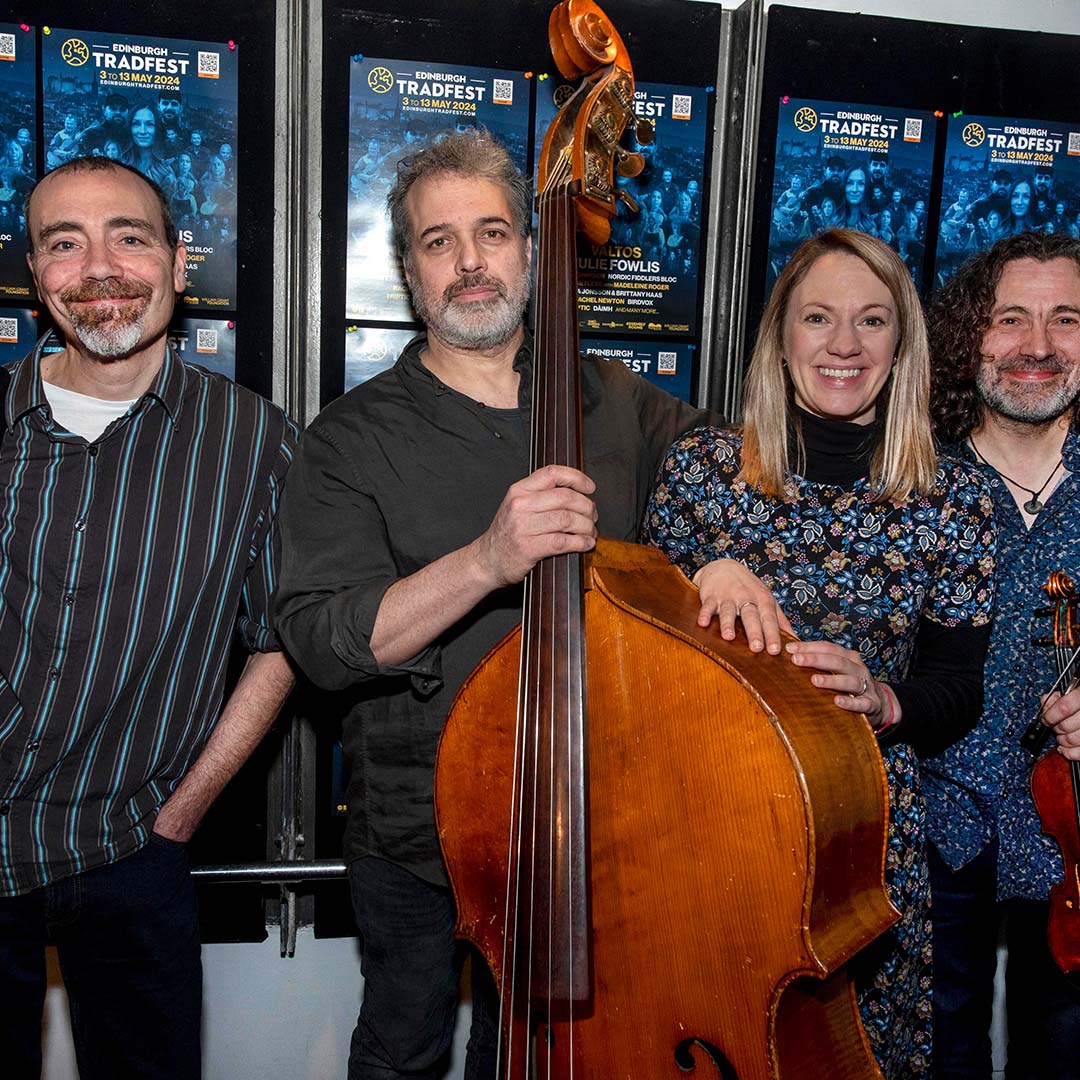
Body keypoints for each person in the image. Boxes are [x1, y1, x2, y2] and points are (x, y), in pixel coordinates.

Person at [272, 128, 720, 1080]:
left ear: (533, 247)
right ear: (408, 269)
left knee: (534, 1055)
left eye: (493, 232)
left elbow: (746, 489)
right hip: (417, 827)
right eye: (439, 242)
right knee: (403, 1051)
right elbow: (320, 640)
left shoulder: (622, 402)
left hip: (593, 812)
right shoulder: (350, 438)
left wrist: (725, 560)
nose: (470, 262)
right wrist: (484, 559)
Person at [643, 228, 996, 1079]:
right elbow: (633, 658)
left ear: (901, 342)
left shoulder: (956, 496)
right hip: (710, 829)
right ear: (780, 337)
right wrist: (699, 573)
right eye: (819, 319)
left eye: (872, 321)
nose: (844, 345)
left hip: (862, 839)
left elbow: (957, 687)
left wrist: (884, 700)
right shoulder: (702, 472)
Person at [0, 157, 297, 1079]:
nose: (99, 266)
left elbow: (281, 641)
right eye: (64, 243)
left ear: (178, 261)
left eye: (128, 236)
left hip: (136, 851)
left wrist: (187, 808)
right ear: (34, 274)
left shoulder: (256, 440)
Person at [924, 231, 1080, 1080]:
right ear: (968, 337)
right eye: (1010, 319)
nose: (1038, 347)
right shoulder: (911, 475)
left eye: (1067, 320)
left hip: (1077, 841)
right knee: (935, 1058)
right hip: (932, 830)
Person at [121, 106, 176, 195]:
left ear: (157, 129)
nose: (142, 131)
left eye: (149, 124)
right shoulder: (121, 164)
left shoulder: (165, 173)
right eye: (136, 124)